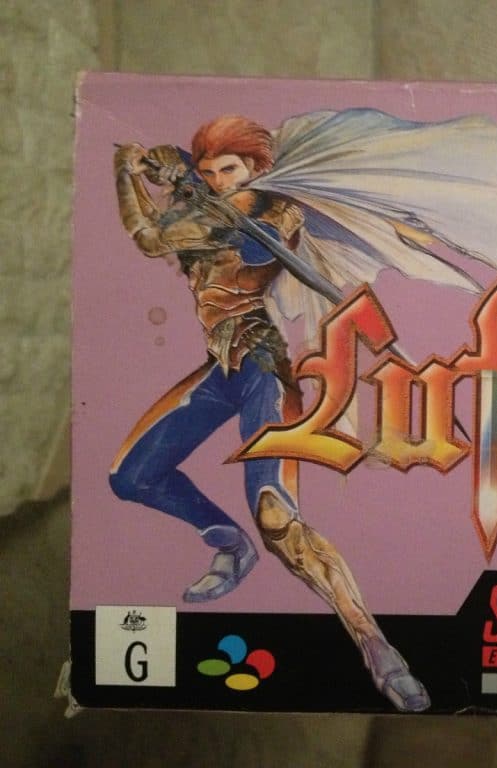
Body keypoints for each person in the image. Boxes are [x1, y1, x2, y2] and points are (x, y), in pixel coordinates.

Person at [111, 115, 430, 712]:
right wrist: (158, 164)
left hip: (263, 372)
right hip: (221, 369)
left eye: (229, 170)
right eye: (210, 171)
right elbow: (170, 188)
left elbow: (157, 238)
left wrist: (127, 174)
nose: (219, 180)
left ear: (257, 168)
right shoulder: (202, 196)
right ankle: (229, 542)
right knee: (131, 476)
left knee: (280, 526)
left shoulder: (276, 211)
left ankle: (375, 644)